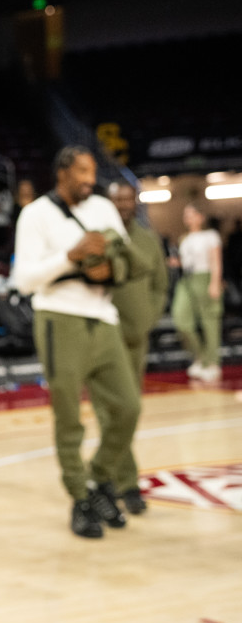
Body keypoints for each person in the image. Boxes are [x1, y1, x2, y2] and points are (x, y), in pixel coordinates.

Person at [13, 146, 140, 539]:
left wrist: (109, 268)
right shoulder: (35, 215)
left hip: (104, 317)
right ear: (63, 173)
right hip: (59, 319)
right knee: (69, 419)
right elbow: (24, 280)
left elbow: (128, 258)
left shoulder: (103, 207)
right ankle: (80, 499)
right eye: (82, 172)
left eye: (92, 172)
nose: (90, 179)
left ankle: (99, 478)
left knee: (128, 408)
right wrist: (71, 256)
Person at [103, 182, 167, 515]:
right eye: (117, 199)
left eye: (128, 198)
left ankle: (106, 477)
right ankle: (124, 483)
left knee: (128, 411)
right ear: (108, 202)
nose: (123, 204)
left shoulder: (148, 239)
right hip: (102, 336)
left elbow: (160, 285)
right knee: (110, 412)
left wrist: (149, 317)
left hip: (135, 337)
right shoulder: (100, 237)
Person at [171, 203, 224, 383]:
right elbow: (187, 261)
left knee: (209, 321)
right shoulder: (184, 238)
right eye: (186, 215)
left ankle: (212, 363)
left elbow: (216, 260)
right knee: (181, 319)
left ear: (201, 216)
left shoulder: (210, 235)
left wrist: (215, 282)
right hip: (187, 279)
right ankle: (200, 357)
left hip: (205, 276)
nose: (189, 218)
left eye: (192, 214)